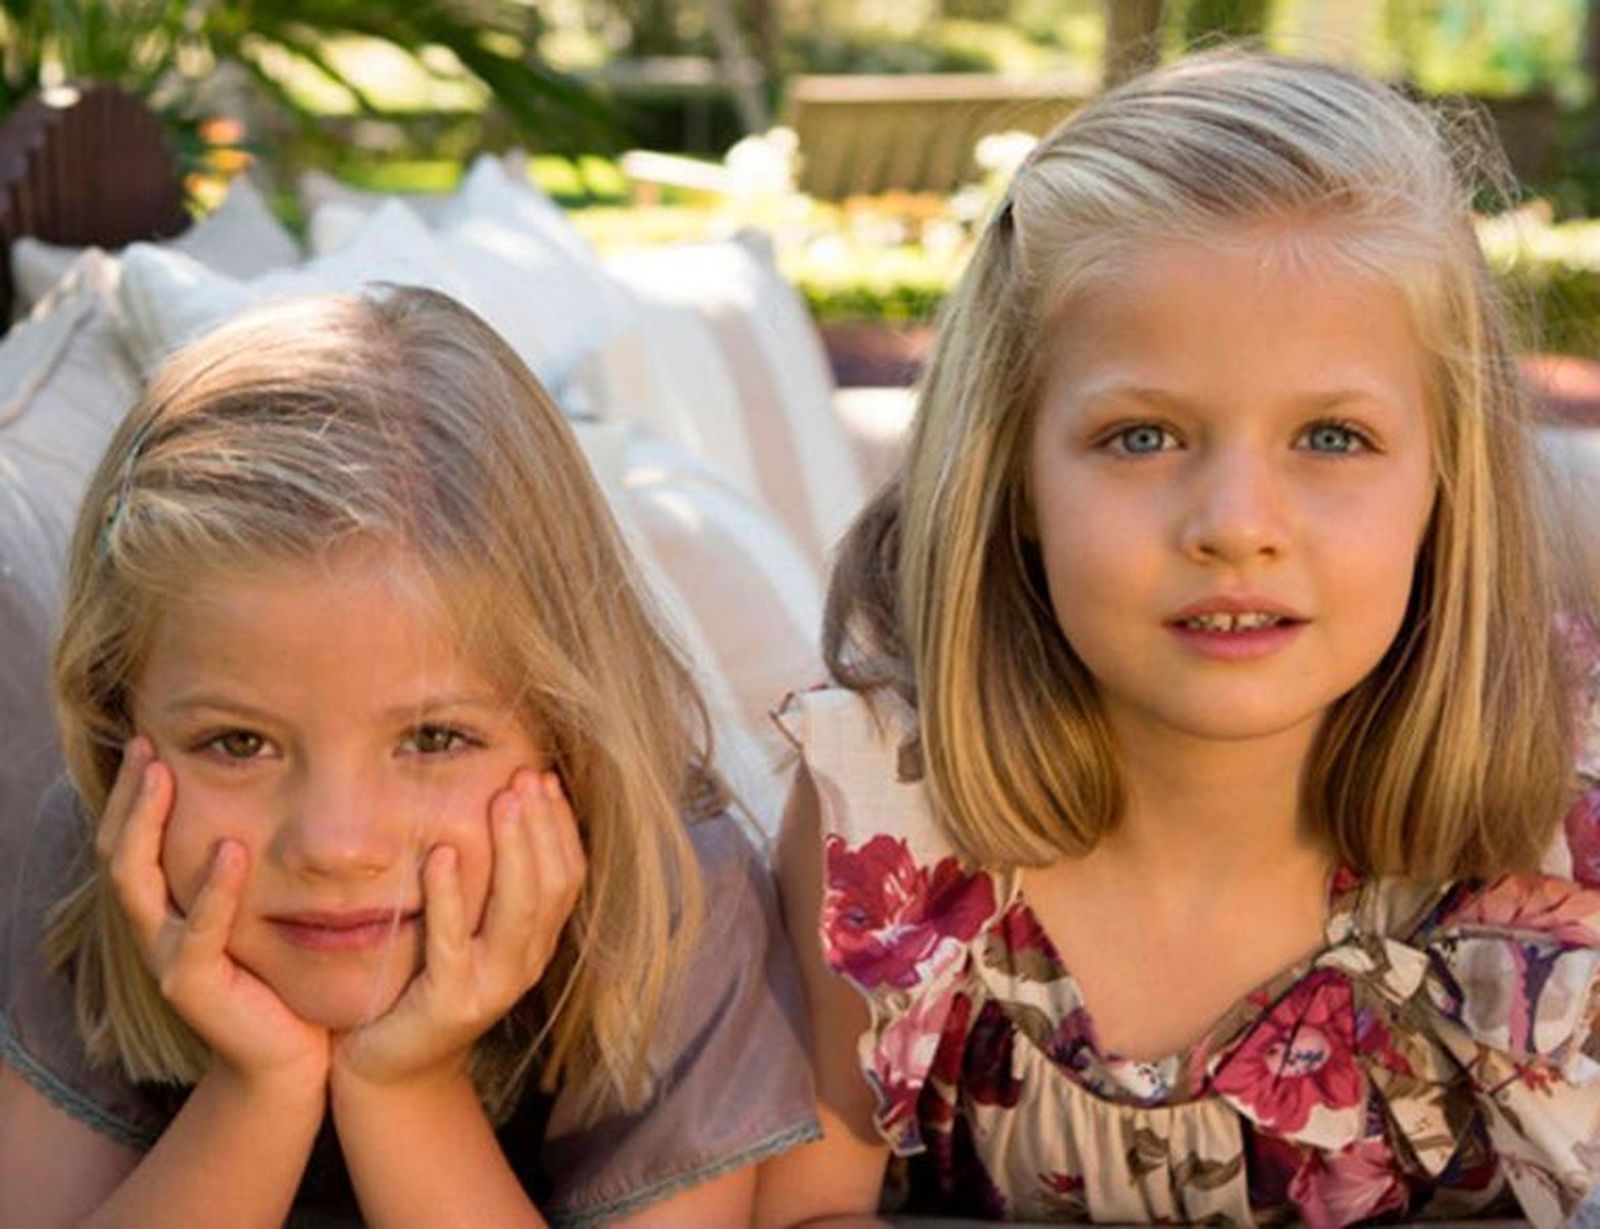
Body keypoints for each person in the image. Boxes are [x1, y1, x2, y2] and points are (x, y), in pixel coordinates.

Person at [755, 51, 1600, 1229]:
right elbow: (806, 1209)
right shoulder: (888, 816)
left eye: (1333, 436)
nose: (1236, 525)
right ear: (1011, 481)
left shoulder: (1559, 831)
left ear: (1445, 482)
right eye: (1143, 436)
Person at [0, 286, 818, 1227]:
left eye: (433, 738)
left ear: (568, 729)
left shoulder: (678, 898)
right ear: (118, 723)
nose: (337, 845)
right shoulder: (107, 850)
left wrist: (405, 1091)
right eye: (238, 742)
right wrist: (257, 1091)